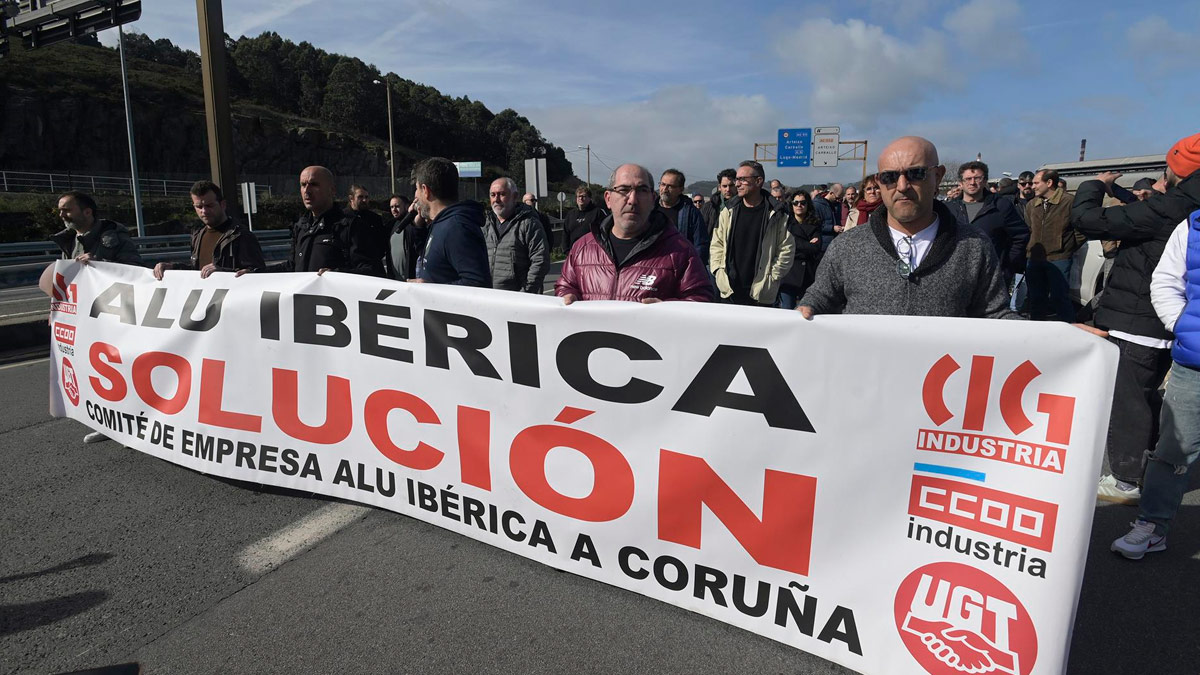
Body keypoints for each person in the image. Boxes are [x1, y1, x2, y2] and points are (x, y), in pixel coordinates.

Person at [1073, 133, 1200, 505]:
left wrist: (1095, 185)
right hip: (1173, 322)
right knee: (1148, 398)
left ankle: (1126, 479)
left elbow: (1088, 219)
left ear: (1177, 171)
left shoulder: (1166, 210)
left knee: (1129, 401)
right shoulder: (1179, 208)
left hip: (1138, 320)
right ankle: (1151, 467)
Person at [798, 136, 1017, 319]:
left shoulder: (974, 246)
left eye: (916, 174)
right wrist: (805, 311)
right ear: (879, 181)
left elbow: (994, 314)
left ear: (937, 176)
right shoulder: (847, 246)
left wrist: (1039, 341)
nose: (902, 186)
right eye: (890, 177)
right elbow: (820, 298)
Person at [1111, 134, 1200, 558]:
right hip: (1192, 362)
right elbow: (1165, 281)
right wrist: (1183, 325)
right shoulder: (1192, 225)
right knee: (1172, 449)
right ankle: (1152, 524)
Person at [41, 191, 144, 445]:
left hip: (114, 316)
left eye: (67, 209)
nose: (62, 214)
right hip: (86, 320)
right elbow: (67, 281)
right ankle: (106, 423)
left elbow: (135, 269)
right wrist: (56, 309)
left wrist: (101, 263)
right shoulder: (69, 241)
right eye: (61, 209)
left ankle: (133, 419)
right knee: (94, 370)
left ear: (87, 212)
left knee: (119, 369)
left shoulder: (114, 236)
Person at [556, 163, 712, 303]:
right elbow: (566, 286)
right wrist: (568, 295)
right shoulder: (581, 248)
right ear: (608, 199)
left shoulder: (682, 252)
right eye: (623, 190)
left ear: (652, 199)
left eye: (642, 190)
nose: (632, 199)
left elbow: (701, 299)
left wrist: (669, 310)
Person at [709, 160, 794, 307]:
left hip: (761, 293)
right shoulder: (728, 211)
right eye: (737, 179)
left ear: (758, 181)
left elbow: (786, 249)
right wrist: (718, 271)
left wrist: (771, 277)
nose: (737, 184)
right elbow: (717, 244)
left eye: (742, 179)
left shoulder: (778, 213)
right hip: (729, 290)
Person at [265, 166, 377, 275]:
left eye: (314, 184)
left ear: (332, 190)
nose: (307, 190)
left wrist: (336, 275)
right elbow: (292, 266)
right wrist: (254, 273)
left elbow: (370, 270)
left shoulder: (351, 226)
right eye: (303, 185)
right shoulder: (301, 226)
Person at [153, 180, 265, 280]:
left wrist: (222, 272)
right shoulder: (197, 236)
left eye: (209, 205)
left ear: (223, 204)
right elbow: (198, 271)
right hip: (207, 301)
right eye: (199, 207)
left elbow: (258, 275)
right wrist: (172, 268)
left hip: (231, 301)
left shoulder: (241, 235)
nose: (204, 211)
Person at [945, 160, 1030, 284]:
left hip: (992, 276)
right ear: (960, 183)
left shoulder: (1000, 206)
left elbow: (1021, 236)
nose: (972, 183)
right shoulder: (949, 209)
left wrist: (1006, 265)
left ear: (984, 181)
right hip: (958, 276)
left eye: (977, 178)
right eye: (968, 179)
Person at [410, 157, 490, 286]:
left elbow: (478, 284)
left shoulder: (457, 228)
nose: (415, 195)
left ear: (425, 190)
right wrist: (418, 227)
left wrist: (431, 289)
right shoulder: (441, 223)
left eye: (417, 189)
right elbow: (434, 261)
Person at [1024, 168, 1082, 320]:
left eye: (1036, 183)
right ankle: (1036, 334)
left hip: (1059, 258)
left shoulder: (1069, 202)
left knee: (1060, 298)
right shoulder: (1031, 205)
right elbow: (1030, 228)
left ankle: (1069, 331)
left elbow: (1080, 230)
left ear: (1049, 183)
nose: (1032, 186)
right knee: (1036, 299)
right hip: (1034, 258)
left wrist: (1066, 246)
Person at [484, 178, 550, 293]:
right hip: (489, 298)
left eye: (502, 194)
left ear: (514, 196)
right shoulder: (486, 224)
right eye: (493, 195)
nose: (496, 199)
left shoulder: (529, 223)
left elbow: (540, 260)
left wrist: (526, 292)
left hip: (517, 299)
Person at [777, 189, 823, 310]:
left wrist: (796, 244)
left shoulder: (815, 223)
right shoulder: (785, 223)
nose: (799, 206)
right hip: (788, 275)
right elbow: (785, 245)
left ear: (808, 204)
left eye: (803, 203)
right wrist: (807, 244)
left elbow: (816, 247)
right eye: (795, 203)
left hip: (808, 276)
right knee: (786, 312)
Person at [657, 169, 710, 264]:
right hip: (653, 268)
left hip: (680, 268)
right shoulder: (650, 209)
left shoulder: (690, 212)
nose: (665, 189)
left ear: (680, 189)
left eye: (670, 186)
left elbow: (701, 245)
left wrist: (693, 269)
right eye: (663, 184)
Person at [347, 184, 388, 276]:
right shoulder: (343, 218)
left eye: (366, 197)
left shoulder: (375, 219)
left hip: (373, 269)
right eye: (360, 197)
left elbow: (382, 243)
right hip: (350, 271)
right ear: (351, 198)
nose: (364, 200)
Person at [384, 202, 429, 282]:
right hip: (395, 278)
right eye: (391, 207)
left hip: (412, 278)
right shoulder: (390, 226)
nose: (394, 209)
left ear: (407, 206)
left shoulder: (414, 225)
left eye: (397, 206)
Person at [562, 186, 607, 253]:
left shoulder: (598, 212)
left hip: (592, 253)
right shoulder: (570, 215)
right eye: (578, 196)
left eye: (584, 196)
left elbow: (605, 232)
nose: (581, 198)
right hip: (574, 253)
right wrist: (566, 251)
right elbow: (565, 234)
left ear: (589, 198)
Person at [700, 168, 737, 239]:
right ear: (719, 187)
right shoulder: (709, 207)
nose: (728, 189)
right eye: (725, 186)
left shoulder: (744, 205)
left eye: (731, 185)